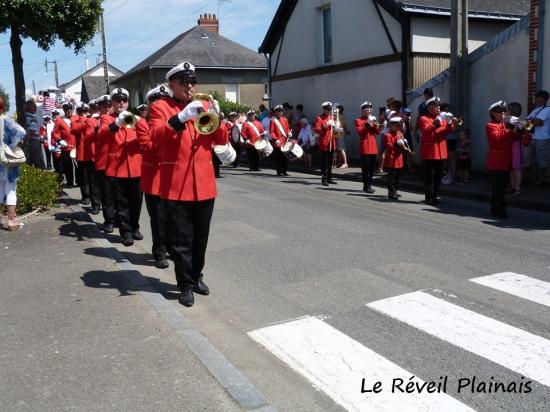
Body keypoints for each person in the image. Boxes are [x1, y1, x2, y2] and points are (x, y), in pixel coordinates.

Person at [149, 61, 227, 307]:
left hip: (204, 183)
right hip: (176, 184)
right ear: (171, 84)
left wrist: (218, 116)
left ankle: (196, 276)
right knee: (181, 240)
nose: (190, 86)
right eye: (184, 82)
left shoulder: (204, 105)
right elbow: (156, 137)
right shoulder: (160, 107)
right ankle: (184, 285)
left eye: (192, 81)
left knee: (200, 238)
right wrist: (180, 118)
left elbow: (220, 138)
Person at [98, 88, 143, 246]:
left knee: (136, 202)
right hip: (118, 168)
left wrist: (140, 121)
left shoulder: (135, 119)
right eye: (117, 100)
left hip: (136, 166)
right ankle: (126, 232)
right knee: (122, 203)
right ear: (113, 103)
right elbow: (101, 134)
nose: (121, 103)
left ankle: (135, 226)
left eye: (124, 100)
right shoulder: (106, 118)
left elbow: (146, 136)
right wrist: (115, 123)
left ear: (128, 102)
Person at [417, 96, 457, 205]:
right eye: (435, 105)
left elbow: (450, 130)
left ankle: (435, 196)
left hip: (440, 151)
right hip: (429, 152)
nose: (438, 107)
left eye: (438, 105)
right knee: (429, 176)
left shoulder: (442, 118)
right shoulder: (423, 118)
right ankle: (428, 197)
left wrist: (449, 121)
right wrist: (439, 120)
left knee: (438, 176)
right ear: (429, 107)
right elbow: (426, 131)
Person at [486, 101, 518, 218]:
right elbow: (497, 138)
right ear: (493, 113)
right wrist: (509, 127)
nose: (503, 114)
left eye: (504, 111)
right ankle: (499, 210)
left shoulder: (504, 125)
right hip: (497, 161)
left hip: (506, 160)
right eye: (500, 112)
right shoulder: (490, 125)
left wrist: (518, 128)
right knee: (497, 188)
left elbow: (513, 139)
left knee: (502, 187)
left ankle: (495, 209)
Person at [0, 96, 26, 231]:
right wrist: (10, 145)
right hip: (6, 159)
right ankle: (11, 221)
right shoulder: (6, 120)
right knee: (10, 189)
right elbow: (21, 132)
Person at [93, 95, 117, 233]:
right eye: (104, 106)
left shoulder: (120, 117)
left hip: (119, 163)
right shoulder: (101, 120)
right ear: (100, 107)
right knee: (107, 195)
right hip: (105, 162)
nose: (107, 108)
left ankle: (120, 220)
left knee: (119, 196)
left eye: (109, 105)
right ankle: (109, 220)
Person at [526, 90, 550, 186]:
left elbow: (534, 123)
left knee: (541, 160)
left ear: (543, 99)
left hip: (542, 139)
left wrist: (533, 123)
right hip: (532, 138)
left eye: (537, 98)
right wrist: (533, 123)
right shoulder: (536, 109)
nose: (535, 100)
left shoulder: (547, 109)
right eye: (535, 98)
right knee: (533, 161)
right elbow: (527, 121)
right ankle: (533, 180)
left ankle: (539, 181)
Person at [355, 101, 379, 193]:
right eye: (367, 109)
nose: (369, 111)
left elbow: (377, 132)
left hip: (373, 146)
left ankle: (369, 184)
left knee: (372, 168)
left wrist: (377, 124)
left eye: (370, 109)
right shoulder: (358, 120)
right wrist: (368, 123)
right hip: (365, 146)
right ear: (362, 110)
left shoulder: (373, 118)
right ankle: (366, 186)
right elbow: (360, 132)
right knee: (366, 168)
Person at [313, 102, 340, 186]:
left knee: (330, 162)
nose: (329, 111)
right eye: (327, 109)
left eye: (330, 109)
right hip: (324, 143)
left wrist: (337, 129)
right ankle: (324, 178)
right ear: (324, 109)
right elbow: (317, 130)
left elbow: (336, 133)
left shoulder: (332, 117)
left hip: (332, 142)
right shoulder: (319, 118)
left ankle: (329, 178)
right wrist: (326, 124)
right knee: (324, 162)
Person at [52, 103, 77, 187]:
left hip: (77, 147)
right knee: (67, 166)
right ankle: (70, 182)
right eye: (66, 109)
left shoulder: (77, 118)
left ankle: (79, 182)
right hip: (66, 147)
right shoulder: (59, 120)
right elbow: (54, 132)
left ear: (73, 109)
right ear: (64, 110)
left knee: (78, 166)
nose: (68, 110)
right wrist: (59, 140)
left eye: (70, 109)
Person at [384, 117, 406, 200]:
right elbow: (389, 147)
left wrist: (405, 144)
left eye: (399, 126)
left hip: (398, 158)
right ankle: (391, 193)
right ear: (391, 125)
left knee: (397, 177)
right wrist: (396, 144)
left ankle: (395, 190)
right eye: (396, 126)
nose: (398, 127)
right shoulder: (387, 135)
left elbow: (403, 144)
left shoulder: (400, 133)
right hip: (391, 159)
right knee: (391, 177)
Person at [507, 102, 525, 196]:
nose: (507, 111)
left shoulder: (515, 120)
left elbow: (530, 128)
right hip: (513, 145)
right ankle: (513, 186)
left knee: (516, 168)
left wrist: (517, 126)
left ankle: (517, 188)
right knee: (512, 167)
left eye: (508, 109)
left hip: (516, 145)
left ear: (512, 110)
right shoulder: (520, 120)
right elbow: (531, 128)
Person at [270, 105, 291, 176]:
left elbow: (287, 128)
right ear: (275, 112)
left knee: (285, 157)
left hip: (285, 141)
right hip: (277, 142)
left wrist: (289, 133)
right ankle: (279, 171)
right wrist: (275, 139)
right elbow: (272, 132)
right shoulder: (273, 120)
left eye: (281, 111)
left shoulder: (285, 119)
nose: (280, 113)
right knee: (278, 157)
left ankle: (284, 171)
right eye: (278, 111)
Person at [25, 100, 45, 169]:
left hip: (31, 141)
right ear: (29, 107)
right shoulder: (31, 117)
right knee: (38, 162)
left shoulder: (25, 117)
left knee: (30, 162)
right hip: (33, 141)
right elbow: (31, 132)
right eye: (34, 106)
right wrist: (28, 143)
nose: (36, 108)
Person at [440, 103, 457, 184]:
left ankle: (452, 176)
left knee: (451, 158)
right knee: (445, 158)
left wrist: (453, 121)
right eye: (445, 110)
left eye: (448, 109)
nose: (447, 111)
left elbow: (455, 127)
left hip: (451, 139)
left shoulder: (451, 116)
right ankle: (447, 175)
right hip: (444, 139)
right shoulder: (441, 116)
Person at [335, 104, 349, 168]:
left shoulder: (340, 116)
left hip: (340, 132)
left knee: (341, 148)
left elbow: (344, 125)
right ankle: (340, 162)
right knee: (338, 148)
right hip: (338, 132)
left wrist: (346, 131)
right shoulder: (338, 116)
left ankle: (345, 162)